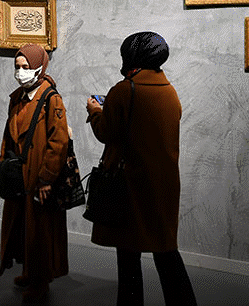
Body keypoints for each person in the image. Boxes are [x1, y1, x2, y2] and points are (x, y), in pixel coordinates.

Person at [85, 31, 197, 306]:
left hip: (130, 187)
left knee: (128, 259)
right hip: (163, 186)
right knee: (166, 253)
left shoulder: (124, 90)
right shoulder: (170, 91)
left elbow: (106, 132)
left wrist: (95, 111)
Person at [0, 43, 70, 303]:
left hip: (38, 175)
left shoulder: (51, 98)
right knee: (22, 227)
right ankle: (29, 272)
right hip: (19, 174)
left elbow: (58, 141)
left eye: (26, 67)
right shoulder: (17, 97)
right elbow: (8, 135)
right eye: (17, 67)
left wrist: (46, 178)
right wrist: (3, 170)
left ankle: (41, 281)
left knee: (40, 231)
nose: (20, 72)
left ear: (39, 67)